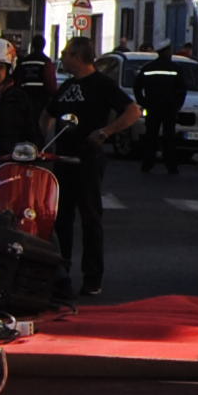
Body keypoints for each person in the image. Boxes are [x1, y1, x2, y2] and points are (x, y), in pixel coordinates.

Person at [53, 51, 138, 297]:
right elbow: (48, 113)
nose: (62, 58)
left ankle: (92, 277)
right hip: (62, 159)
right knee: (60, 219)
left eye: (66, 54)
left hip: (87, 159)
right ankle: (60, 274)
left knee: (90, 217)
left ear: (78, 56)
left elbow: (132, 111)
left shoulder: (102, 84)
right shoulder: (68, 85)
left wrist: (106, 132)